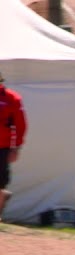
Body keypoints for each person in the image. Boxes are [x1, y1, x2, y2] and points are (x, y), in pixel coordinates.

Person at [0, 71, 27, 220]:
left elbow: (20, 125)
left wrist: (16, 147)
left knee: (0, 180)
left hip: (2, 146)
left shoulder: (12, 98)